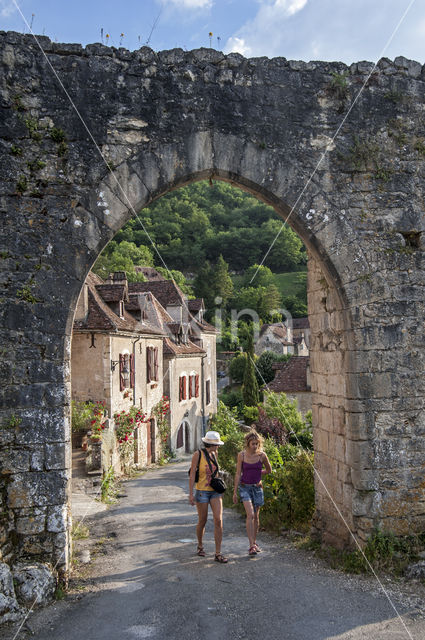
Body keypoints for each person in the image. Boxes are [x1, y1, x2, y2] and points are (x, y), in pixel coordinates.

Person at [189, 430, 228, 563]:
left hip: (215, 491)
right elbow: (192, 474)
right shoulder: (197, 454)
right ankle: (200, 545)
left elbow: (215, 471)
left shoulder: (215, 454)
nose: (218, 446)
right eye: (216, 444)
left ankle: (218, 553)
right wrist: (190, 494)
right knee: (203, 520)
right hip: (202, 491)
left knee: (218, 520)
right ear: (210, 443)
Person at [233, 429, 272, 556]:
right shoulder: (242, 455)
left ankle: (254, 542)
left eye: (257, 443)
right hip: (244, 487)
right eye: (252, 444)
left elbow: (269, 470)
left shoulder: (262, 456)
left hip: (257, 488)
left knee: (256, 516)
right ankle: (251, 545)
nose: (255, 446)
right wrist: (234, 492)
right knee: (250, 514)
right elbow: (238, 473)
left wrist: (258, 476)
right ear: (248, 444)